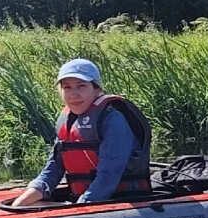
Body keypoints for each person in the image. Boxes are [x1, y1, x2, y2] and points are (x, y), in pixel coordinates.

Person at [10, 58, 152, 207]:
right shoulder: (67, 120)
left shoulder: (113, 119)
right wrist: (19, 203)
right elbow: (52, 170)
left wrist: (81, 206)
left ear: (96, 89)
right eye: (67, 87)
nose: (73, 94)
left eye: (81, 86)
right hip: (88, 200)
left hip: (123, 199)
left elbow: (109, 175)